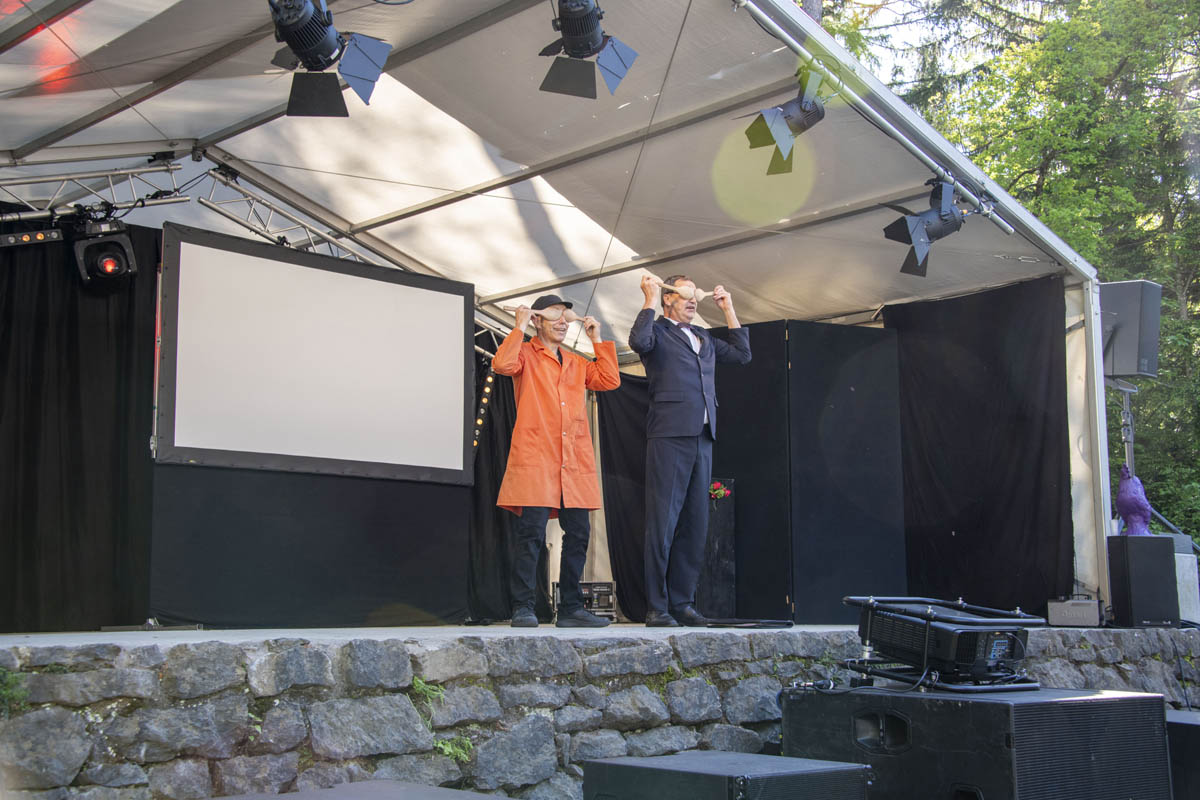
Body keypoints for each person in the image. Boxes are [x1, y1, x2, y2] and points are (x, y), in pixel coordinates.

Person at [629, 275, 751, 627]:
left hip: (703, 434)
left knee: (696, 522)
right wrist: (649, 299)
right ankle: (656, 606)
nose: (692, 300)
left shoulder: (703, 336)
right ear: (669, 298)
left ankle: (682, 602)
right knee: (663, 522)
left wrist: (728, 309)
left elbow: (742, 355)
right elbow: (638, 341)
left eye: (695, 294)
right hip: (670, 433)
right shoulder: (657, 331)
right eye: (684, 294)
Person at [493, 294, 621, 628]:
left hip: (573, 461)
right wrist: (519, 326)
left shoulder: (576, 362)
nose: (563, 323)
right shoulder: (525, 353)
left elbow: (609, 380)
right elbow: (502, 365)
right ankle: (523, 606)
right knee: (531, 534)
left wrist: (597, 339)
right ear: (538, 320)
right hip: (537, 457)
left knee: (578, 534)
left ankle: (570, 608)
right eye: (555, 316)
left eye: (567, 317)